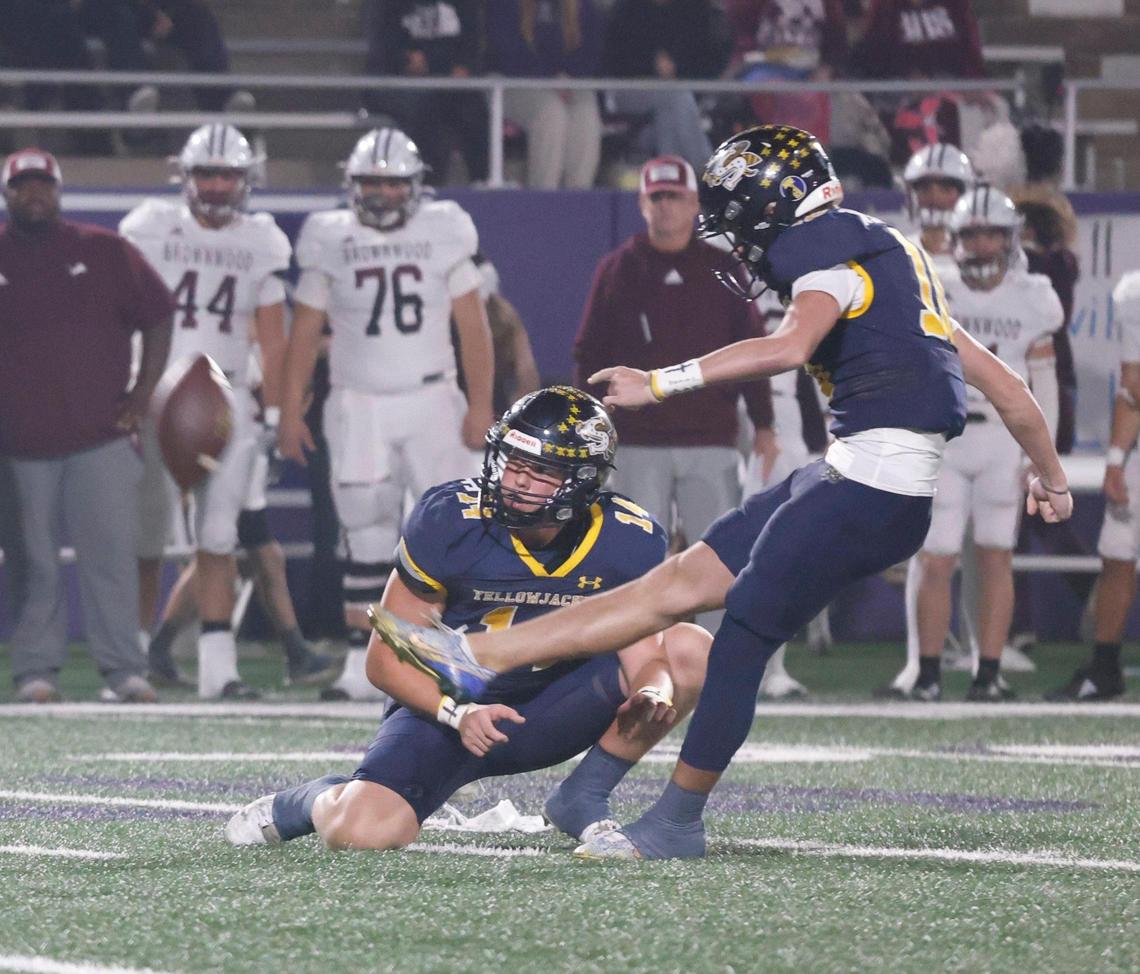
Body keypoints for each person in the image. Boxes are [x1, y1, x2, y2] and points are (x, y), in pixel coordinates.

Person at [368, 124, 1074, 861]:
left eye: (737, 215)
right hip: (853, 469)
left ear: (774, 201)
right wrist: (1050, 476)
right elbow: (1010, 387)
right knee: (675, 584)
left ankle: (677, 819)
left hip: (874, 483)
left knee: (740, 635)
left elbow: (788, 347)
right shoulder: (894, 260)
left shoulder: (830, 252)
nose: (736, 239)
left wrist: (657, 381)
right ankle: (487, 658)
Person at [224, 387, 712, 850]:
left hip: (554, 706)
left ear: (583, 479)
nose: (518, 480)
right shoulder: (452, 519)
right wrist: (456, 713)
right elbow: (385, 659)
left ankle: (583, 795)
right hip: (449, 710)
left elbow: (644, 655)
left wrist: (655, 691)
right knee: (363, 831)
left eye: (540, 470)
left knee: (689, 648)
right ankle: (308, 802)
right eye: (513, 462)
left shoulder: (626, 537)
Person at [278, 127, 494, 702]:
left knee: (457, 525)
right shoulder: (329, 236)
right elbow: (303, 332)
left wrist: (482, 405)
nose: (381, 193)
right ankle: (362, 660)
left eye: (393, 183)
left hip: (431, 398)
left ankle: (461, 651)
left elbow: (473, 325)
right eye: (371, 182)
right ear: (352, 185)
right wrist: (287, 408)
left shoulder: (443, 228)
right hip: (357, 400)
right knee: (364, 527)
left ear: (414, 186)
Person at [120, 124, 290, 700]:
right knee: (145, 535)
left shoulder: (261, 239)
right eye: (207, 174)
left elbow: (273, 334)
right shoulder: (149, 228)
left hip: (229, 399)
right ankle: (135, 656)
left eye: (228, 175)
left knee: (218, 536)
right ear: (185, 177)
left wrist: (273, 413)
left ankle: (219, 670)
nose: (217, 186)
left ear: (247, 180)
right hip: (156, 394)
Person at [573, 155, 775, 633]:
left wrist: (764, 423)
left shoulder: (723, 268)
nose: (665, 208)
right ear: (643, 203)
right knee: (634, 560)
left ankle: (720, 656)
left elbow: (751, 350)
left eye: (675, 198)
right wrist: (592, 422)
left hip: (711, 436)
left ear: (693, 204)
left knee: (720, 556)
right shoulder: (618, 269)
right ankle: (635, 657)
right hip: (639, 440)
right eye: (657, 197)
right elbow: (589, 352)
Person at [0, 148, 173, 703]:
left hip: (100, 436)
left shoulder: (104, 251)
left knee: (110, 560)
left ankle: (123, 668)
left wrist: (143, 393)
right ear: (6, 194)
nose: (33, 194)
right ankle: (35, 670)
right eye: (22, 186)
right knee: (34, 566)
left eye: (41, 185)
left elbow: (159, 314)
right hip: (17, 444)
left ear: (58, 191)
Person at [899, 186, 1061, 703]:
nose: (984, 245)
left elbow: (1044, 384)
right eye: (973, 234)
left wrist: (1041, 456)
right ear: (957, 237)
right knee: (937, 558)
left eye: (993, 234)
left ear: (1011, 239)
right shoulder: (937, 284)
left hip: (1002, 443)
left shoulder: (1033, 295)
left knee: (996, 557)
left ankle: (987, 672)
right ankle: (926, 673)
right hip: (947, 438)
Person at [142, 352, 339, 690]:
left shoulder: (252, 390)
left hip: (225, 445)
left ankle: (160, 648)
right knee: (232, 555)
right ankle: (295, 654)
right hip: (222, 449)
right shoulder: (252, 405)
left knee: (236, 556)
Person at [1047, 269, 1140, 702]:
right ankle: (1104, 667)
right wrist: (1117, 458)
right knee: (1116, 552)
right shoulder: (1134, 292)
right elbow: (1132, 388)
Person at [362, 0, 488, 184]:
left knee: (473, 108)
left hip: (447, 85)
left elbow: (469, 53)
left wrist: (434, 62)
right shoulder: (387, 4)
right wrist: (416, 61)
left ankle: (482, 182)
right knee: (427, 108)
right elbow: (387, 51)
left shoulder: (465, 4)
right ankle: (426, 186)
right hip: (394, 85)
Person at [485, 0, 605, 189]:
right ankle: (544, 198)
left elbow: (591, 50)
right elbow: (507, 52)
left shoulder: (582, 5)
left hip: (568, 81)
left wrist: (569, 76)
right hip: (511, 81)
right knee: (551, 113)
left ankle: (578, 199)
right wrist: (549, 78)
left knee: (586, 114)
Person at [601, 0, 719, 169]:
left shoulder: (693, 8)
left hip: (675, 94)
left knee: (668, 116)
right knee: (676, 96)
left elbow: (705, 59)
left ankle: (671, 178)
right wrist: (651, 63)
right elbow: (612, 61)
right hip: (626, 89)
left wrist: (676, 68)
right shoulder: (627, 8)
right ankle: (709, 172)